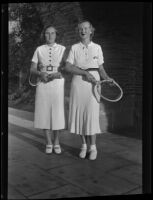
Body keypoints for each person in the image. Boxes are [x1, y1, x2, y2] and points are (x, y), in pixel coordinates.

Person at [65, 21, 113, 160]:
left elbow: (101, 69)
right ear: (78, 31)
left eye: (86, 28)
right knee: (80, 114)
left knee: (91, 115)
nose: (83, 31)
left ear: (91, 31)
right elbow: (68, 67)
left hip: (94, 83)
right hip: (78, 83)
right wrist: (85, 73)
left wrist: (107, 78)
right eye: (80, 29)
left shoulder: (98, 48)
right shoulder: (74, 47)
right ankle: (84, 145)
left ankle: (93, 147)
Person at [30, 25, 66, 154]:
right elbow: (32, 69)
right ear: (44, 35)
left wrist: (58, 73)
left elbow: (67, 67)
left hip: (57, 83)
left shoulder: (63, 49)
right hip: (43, 82)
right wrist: (41, 74)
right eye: (47, 33)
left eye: (52, 33)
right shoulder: (39, 49)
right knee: (44, 112)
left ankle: (56, 141)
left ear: (56, 35)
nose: (50, 36)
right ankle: (48, 142)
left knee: (57, 112)